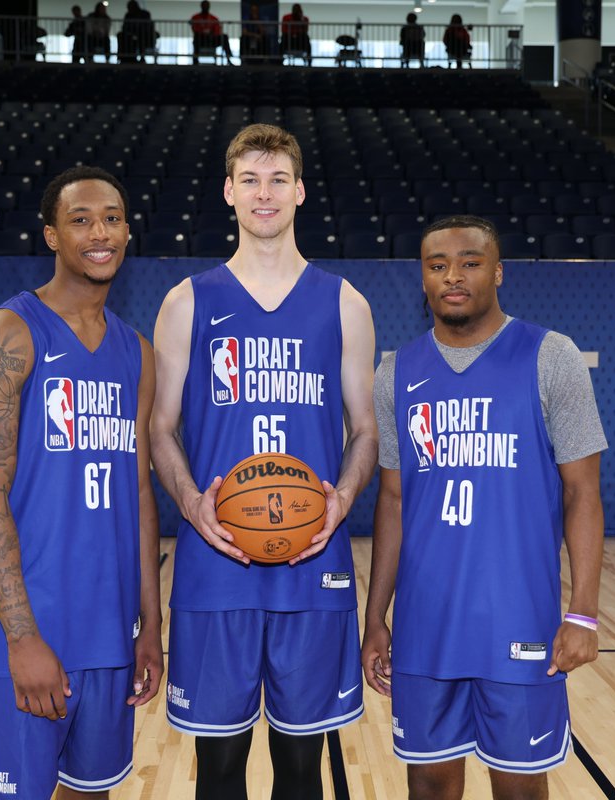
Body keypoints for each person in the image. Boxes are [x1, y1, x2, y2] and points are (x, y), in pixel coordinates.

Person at [151, 123, 378, 799]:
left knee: (302, 770)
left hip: (313, 558)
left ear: (301, 191)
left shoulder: (346, 303)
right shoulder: (188, 302)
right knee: (218, 772)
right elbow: (159, 429)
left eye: (278, 178)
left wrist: (341, 497)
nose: (265, 193)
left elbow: (365, 431)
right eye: (249, 179)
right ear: (228, 192)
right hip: (215, 562)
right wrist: (192, 502)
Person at [363, 215, 607, 800]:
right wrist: (375, 617)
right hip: (427, 625)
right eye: (437, 265)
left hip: (519, 620)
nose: (454, 275)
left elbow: (583, 493)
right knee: (428, 785)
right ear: (421, 279)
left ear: (498, 272)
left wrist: (584, 614)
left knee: (520, 791)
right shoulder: (395, 373)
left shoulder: (552, 357)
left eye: (470, 262)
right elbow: (392, 500)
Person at [0, 165, 163, 800]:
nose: (99, 233)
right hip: (28, 635)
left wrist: (149, 629)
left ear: (128, 231)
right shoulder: (8, 334)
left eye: (111, 218)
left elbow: (137, 492)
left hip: (109, 636)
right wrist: (21, 639)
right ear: (52, 236)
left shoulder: (138, 350)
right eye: (80, 220)